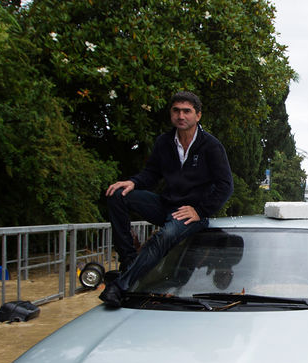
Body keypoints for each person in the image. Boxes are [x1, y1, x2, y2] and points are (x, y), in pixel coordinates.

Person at [100, 91, 233, 308]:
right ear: (171, 114)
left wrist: (200, 210)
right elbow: (151, 173)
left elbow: (225, 186)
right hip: (165, 204)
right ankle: (129, 261)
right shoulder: (164, 142)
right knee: (118, 194)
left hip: (191, 213)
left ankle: (120, 286)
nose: (181, 116)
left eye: (187, 111)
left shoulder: (211, 146)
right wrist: (133, 182)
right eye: (176, 111)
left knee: (165, 235)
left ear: (198, 115)